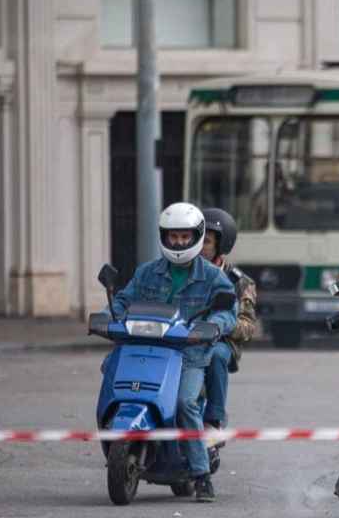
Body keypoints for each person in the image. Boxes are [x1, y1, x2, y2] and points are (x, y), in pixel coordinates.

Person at [109, 202, 237, 503]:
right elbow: (123, 301)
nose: (178, 242)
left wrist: (213, 326)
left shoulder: (213, 277)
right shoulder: (147, 273)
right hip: (142, 348)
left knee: (184, 404)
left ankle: (201, 476)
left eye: (184, 236)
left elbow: (228, 312)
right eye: (173, 237)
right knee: (113, 381)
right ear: (164, 237)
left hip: (189, 355)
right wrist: (108, 315)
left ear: (196, 235)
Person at [199, 208, 258, 435]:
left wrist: (220, 324)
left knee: (215, 356)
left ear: (221, 245)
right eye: (198, 240)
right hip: (185, 337)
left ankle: (213, 421)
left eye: (207, 242)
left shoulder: (240, 282)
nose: (200, 247)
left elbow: (248, 327)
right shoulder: (185, 271)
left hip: (222, 341)